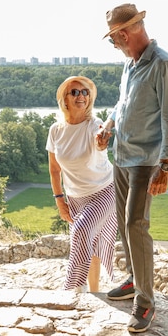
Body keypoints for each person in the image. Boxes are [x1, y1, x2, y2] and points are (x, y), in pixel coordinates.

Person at [97, 3, 168, 333]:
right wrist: (108, 125)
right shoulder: (132, 65)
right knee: (123, 222)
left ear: (124, 33)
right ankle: (134, 279)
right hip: (122, 155)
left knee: (136, 223)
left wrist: (166, 165)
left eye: (113, 40)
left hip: (146, 161)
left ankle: (145, 303)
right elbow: (123, 105)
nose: (114, 45)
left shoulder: (162, 64)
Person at [46, 75, 118, 293]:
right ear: (64, 99)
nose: (81, 96)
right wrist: (60, 200)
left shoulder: (94, 125)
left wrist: (102, 141)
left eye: (85, 92)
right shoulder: (56, 130)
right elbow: (54, 169)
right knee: (90, 244)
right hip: (75, 197)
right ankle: (94, 293)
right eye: (75, 92)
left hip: (104, 191)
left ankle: (73, 288)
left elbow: (100, 140)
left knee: (82, 231)